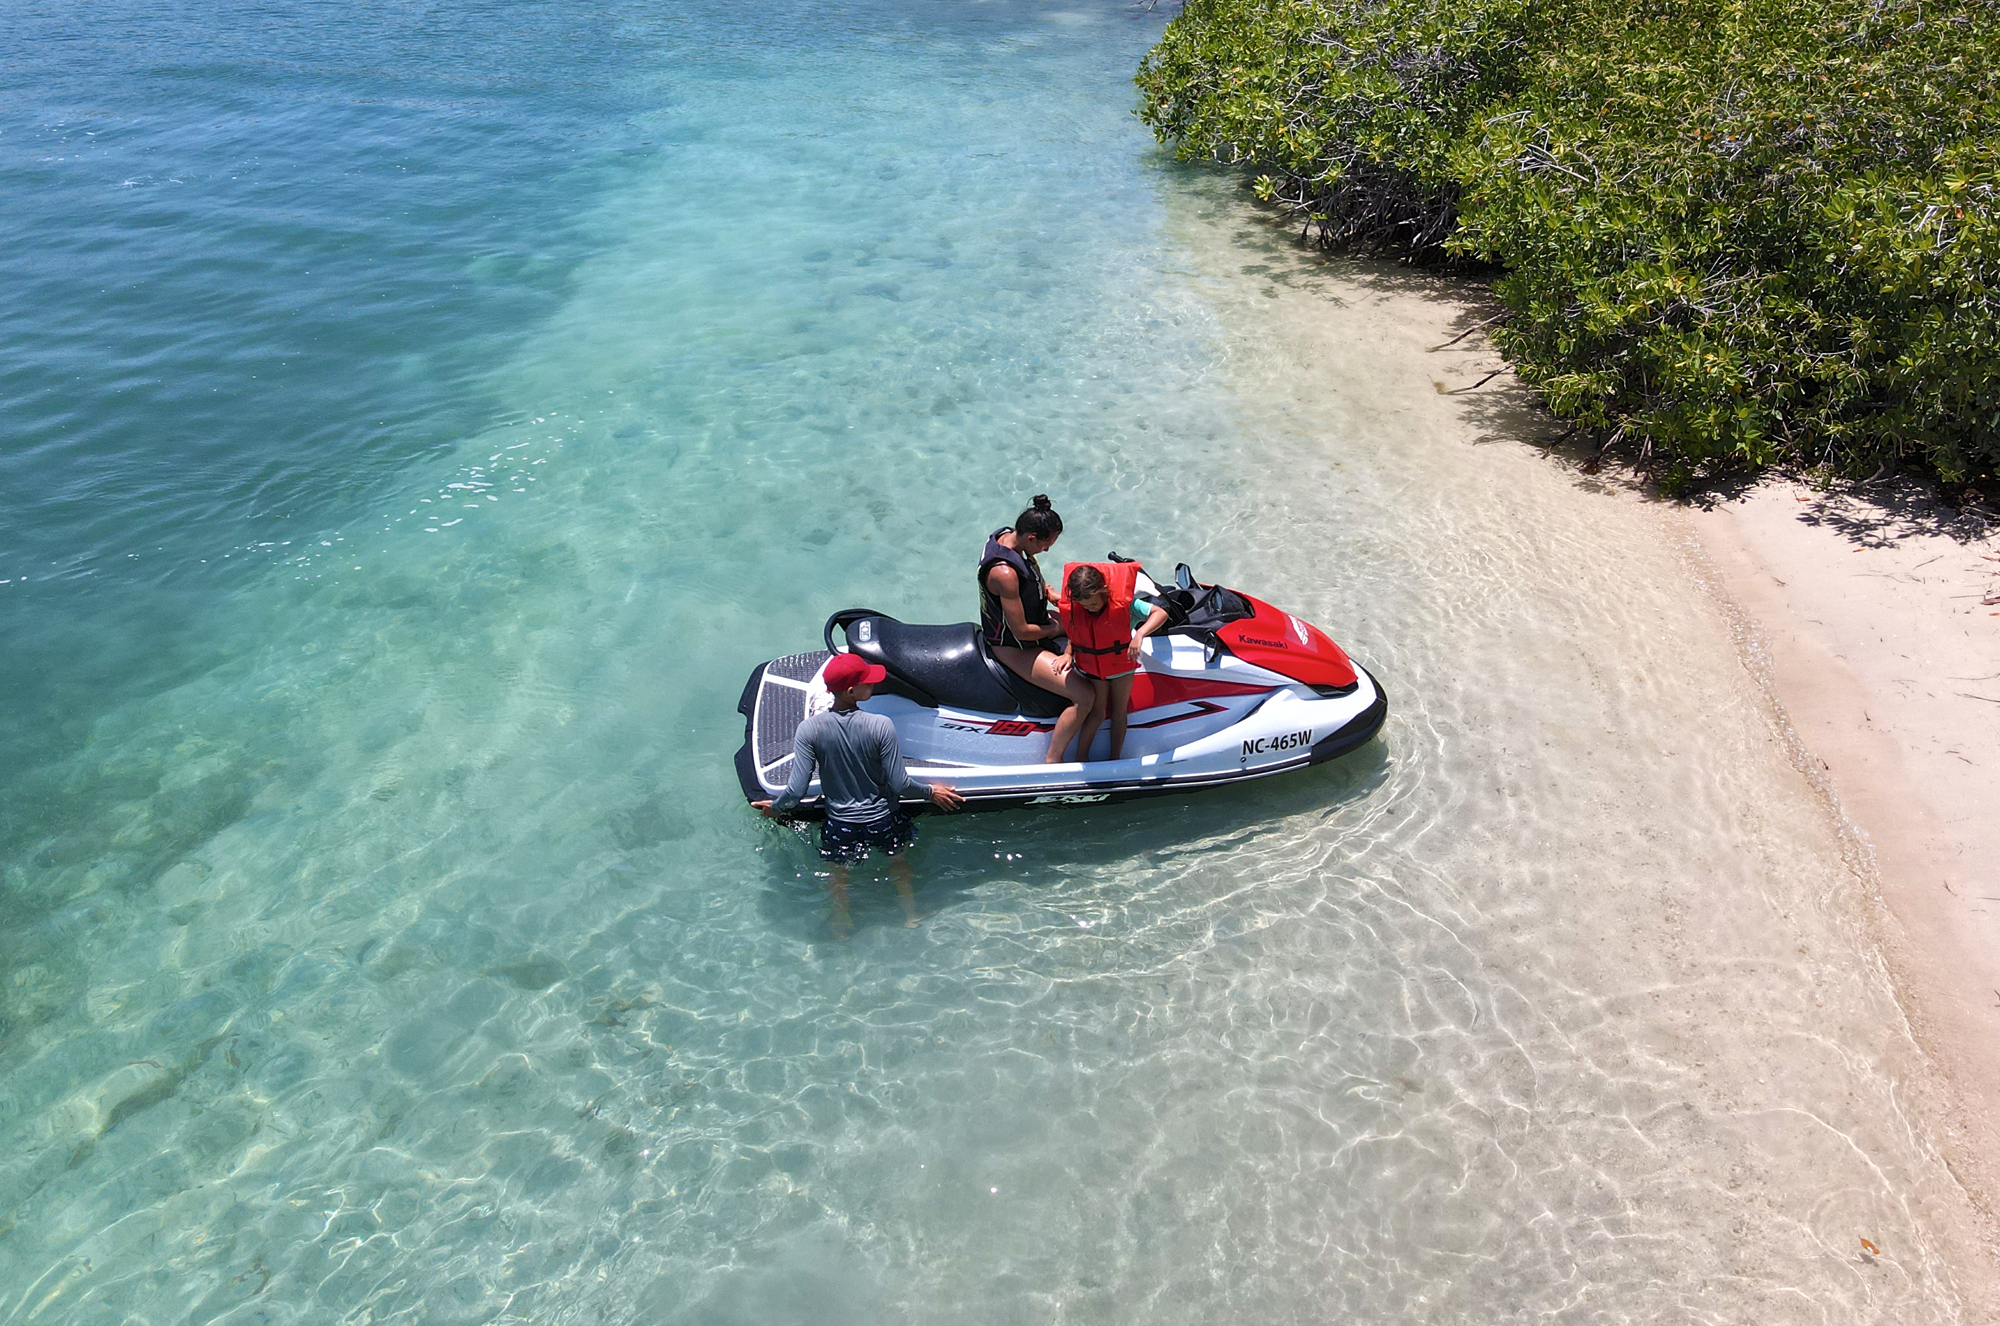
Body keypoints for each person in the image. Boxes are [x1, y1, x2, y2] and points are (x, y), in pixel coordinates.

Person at [754, 652, 963, 932]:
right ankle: (911, 914)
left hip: (840, 824)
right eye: (868, 682)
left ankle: (842, 921)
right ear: (852, 692)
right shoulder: (880, 725)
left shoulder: (809, 731)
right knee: (899, 866)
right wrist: (931, 793)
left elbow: (796, 790)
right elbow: (900, 784)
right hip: (884, 820)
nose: (873, 684)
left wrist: (775, 808)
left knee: (838, 875)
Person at [978, 494, 1096, 763]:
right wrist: (1054, 628)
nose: (1047, 551)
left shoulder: (1006, 535)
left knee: (1087, 620)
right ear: (1031, 538)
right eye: (1045, 545)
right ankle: (1053, 759)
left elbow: (1029, 577)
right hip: (1012, 646)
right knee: (1084, 695)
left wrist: (1049, 592)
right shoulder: (1004, 573)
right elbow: (1022, 631)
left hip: (1035, 623)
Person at [1058, 562, 1171, 762]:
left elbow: (1160, 613)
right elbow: (1078, 633)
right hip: (1093, 669)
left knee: (1119, 712)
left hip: (1121, 668)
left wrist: (1140, 634)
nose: (1090, 609)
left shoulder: (1126, 604)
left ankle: (1115, 757)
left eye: (1093, 604)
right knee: (1098, 713)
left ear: (1103, 591)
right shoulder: (1079, 608)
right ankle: (1081, 756)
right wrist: (1067, 654)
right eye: (1085, 606)